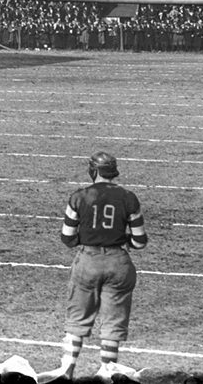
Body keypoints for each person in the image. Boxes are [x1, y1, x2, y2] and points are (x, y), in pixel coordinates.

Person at [50, 151, 148, 379]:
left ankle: (67, 369)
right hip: (119, 263)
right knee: (114, 321)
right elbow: (140, 241)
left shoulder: (78, 197)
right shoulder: (129, 198)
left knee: (77, 316)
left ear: (93, 171)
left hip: (88, 261)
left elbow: (67, 238)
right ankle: (107, 369)